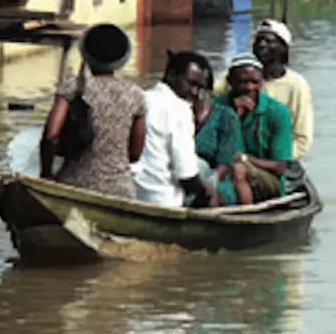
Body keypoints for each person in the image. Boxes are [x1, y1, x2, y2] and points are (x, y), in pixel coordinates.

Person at [40, 23, 145, 199]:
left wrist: (46, 173)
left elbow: (51, 136)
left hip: (74, 185)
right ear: (122, 59)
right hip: (120, 190)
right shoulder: (136, 95)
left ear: (86, 56)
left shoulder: (72, 87)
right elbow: (135, 154)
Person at [133, 51, 217, 207]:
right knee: (211, 183)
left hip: (135, 192)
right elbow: (187, 176)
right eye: (191, 83)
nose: (195, 93)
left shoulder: (142, 97)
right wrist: (206, 192)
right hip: (162, 199)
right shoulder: (180, 111)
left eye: (200, 88)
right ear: (171, 75)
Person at [216, 56, 294, 204]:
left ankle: (244, 217)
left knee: (239, 169)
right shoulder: (217, 108)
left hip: (267, 180)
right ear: (230, 81)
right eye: (242, 82)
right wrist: (233, 117)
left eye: (254, 82)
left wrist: (245, 160)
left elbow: (280, 167)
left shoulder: (277, 112)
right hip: (223, 173)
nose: (249, 88)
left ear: (262, 82)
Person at [249, 19, 314, 161]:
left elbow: (302, 139)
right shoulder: (238, 78)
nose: (262, 45)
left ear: (283, 48)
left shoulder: (296, 85)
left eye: (269, 41)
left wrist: (278, 159)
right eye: (258, 40)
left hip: (281, 160)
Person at [194, 65, 248, 207]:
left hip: (217, 179)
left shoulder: (226, 116)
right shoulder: (174, 113)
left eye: (198, 87)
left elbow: (226, 162)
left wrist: (210, 182)